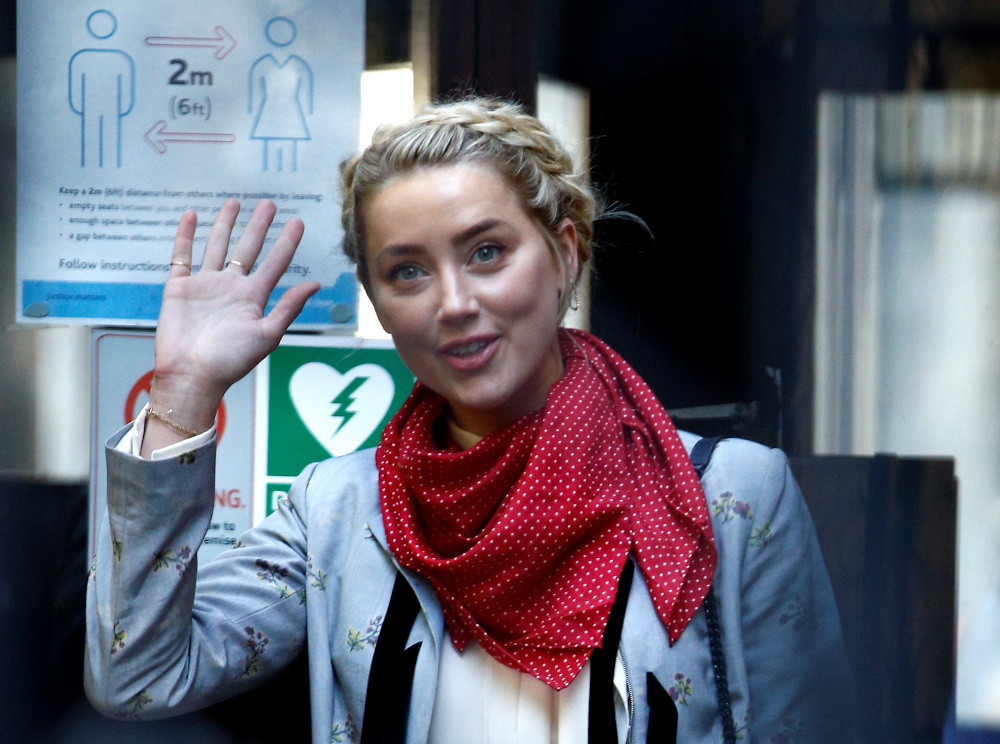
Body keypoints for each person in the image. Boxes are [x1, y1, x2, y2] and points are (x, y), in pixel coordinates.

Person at [85, 97, 853, 744]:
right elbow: (138, 677)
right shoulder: (340, 511)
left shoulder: (730, 497)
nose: (453, 303)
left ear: (562, 254)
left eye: (487, 251)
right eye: (407, 271)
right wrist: (183, 391)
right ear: (379, 304)